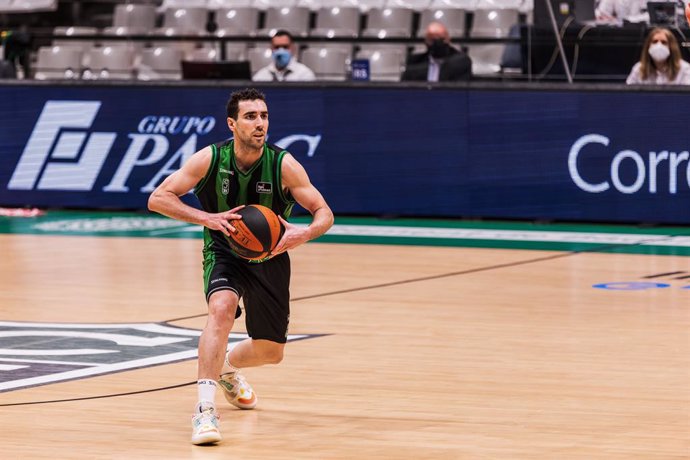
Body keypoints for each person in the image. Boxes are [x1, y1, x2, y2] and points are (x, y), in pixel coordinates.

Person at [148, 88, 334, 445]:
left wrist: (305, 233)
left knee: (271, 352)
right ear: (232, 123)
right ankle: (204, 411)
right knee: (221, 309)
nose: (260, 123)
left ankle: (228, 367)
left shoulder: (284, 164)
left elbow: (324, 213)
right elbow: (158, 198)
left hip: (271, 253)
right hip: (224, 248)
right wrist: (208, 218)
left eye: (264, 116)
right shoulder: (210, 159)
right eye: (251, 117)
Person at [401, 21, 472, 82]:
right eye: (432, 40)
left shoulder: (461, 61)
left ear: (448, 39)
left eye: (442, 39)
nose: (437, 44)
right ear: (426, 41)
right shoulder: (415, 62)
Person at [626, 27, 690, 84]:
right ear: (648, 46)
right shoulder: (638, 69)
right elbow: (627, 94)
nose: (659, 45)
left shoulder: (684, 69)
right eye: (655, 41)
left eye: (664, 42)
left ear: (671, 47)